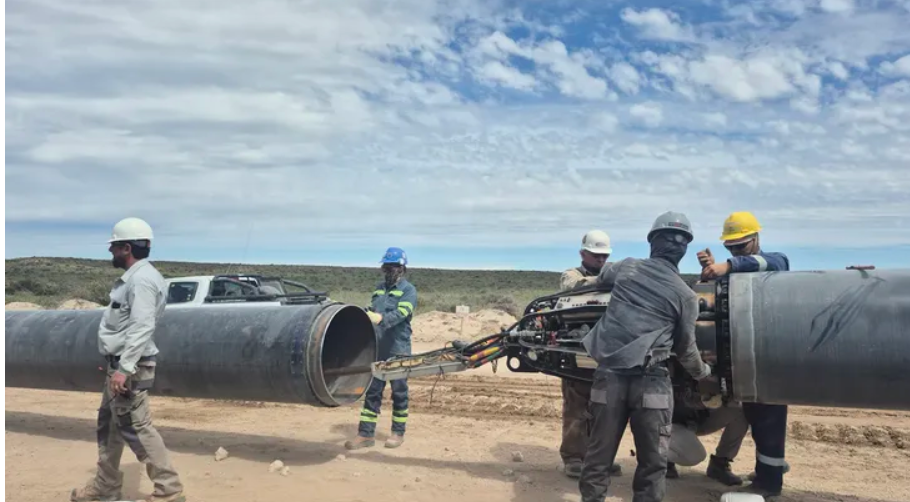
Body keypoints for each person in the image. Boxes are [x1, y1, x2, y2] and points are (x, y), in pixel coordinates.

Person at [578, 211, 714, 502]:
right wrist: (703, 372)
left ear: (652, 241)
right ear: (684, 250)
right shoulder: (685, 296)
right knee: (653, 463)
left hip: (609, 377)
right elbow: (685, 348)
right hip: (652, 383)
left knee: (598, 456)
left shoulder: (627, 267)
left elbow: (603, 276)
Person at [71, 217, 185, 502]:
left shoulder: (142, 280)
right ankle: (105, 487)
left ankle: (169, 490)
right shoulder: (135, 279)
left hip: (129, 368)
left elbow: (142, 326)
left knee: (136, 427)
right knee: (109, 426)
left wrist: (124, 368)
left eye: (114, 246)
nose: (110, 251)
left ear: (126, 248)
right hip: (120, 366)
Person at [698, 211, 790, 498]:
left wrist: (728, 265)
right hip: (739, 360)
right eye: (731, 248)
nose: (736, 251)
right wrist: (710, 272)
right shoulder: (732, 272)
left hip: (767, 360)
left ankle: (769, 482)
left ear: (756, 238)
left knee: (769, 420)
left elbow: (776, 263)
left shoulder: (774, 262)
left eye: (741, 245)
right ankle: (766, 472)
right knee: (753, 418)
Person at [558, 230, 622, 479]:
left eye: (604, 256)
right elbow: (572, 286)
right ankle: (574, 457)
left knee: (605, 408)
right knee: (576, 405)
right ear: (583, 253)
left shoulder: (614, 276)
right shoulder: (572, 275)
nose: (601, 259)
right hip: (577, 349)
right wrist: (607, 278)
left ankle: (599, 458)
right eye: (596, 255)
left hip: (608, 350)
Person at [345, 247, 418, 450]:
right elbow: (374, 309)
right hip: (378, 348)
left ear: (402, 268)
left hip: (398, 348)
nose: (388, 270)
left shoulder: (408, 290)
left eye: (393, 266)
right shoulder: (379, 289)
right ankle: (365, 434)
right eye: (386, 266)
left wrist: (380, 318)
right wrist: (366, 314)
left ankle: (398, 433)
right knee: (372, 391)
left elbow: (401, 314)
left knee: (399, 392)